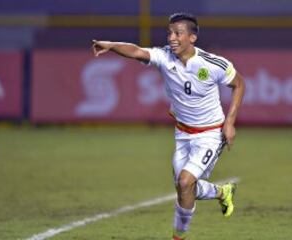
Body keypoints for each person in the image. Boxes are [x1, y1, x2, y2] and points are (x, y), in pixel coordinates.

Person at [92, 12, 245, 240]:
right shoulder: (164, 57)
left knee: (185, 182)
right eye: (169, 33)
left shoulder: (212, 64)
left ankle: (177, 238)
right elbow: (136, 51)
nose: (171, 38)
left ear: (192, 38)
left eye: (177, 33)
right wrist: (111, 45)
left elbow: (239, 84)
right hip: (182, 134)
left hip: (210, 134)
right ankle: (222, 192)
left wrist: (230, 123)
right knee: (184, 189)